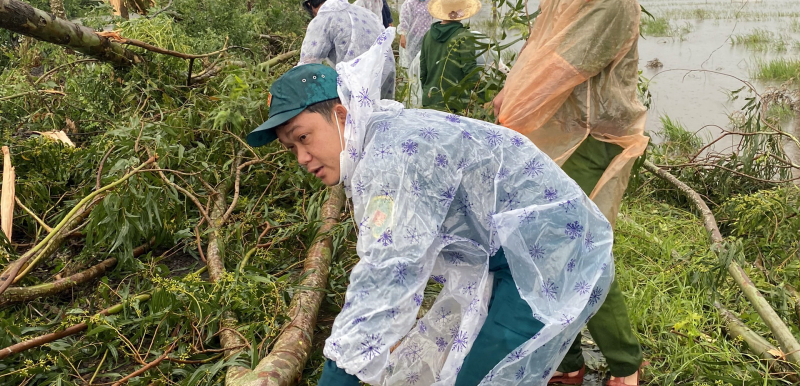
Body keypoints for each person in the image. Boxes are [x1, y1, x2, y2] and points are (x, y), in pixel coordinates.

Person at [246, 39, 615, 386]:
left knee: (482, 374)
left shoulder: (391, 160)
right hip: (512, 250)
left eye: (304, 137)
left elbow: (387, 276)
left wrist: (338, 373)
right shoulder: (380, 137)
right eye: (290, 146)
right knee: (455, 361)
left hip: (551, 251)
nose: (301, 157)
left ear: (341, 115)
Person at [492, 0, 649, 385]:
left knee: (575, 247)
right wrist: (507, 100)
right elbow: (536, 49)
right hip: (557, 130)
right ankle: (568, 361)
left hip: (592, 136)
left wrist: (507, 119)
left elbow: (558, 70)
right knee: (543, 243)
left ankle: (625, 364)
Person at [299, 0, 395, 99]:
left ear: (309, 4)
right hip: (385, 71)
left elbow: (308, 64)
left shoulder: (322, 19)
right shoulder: (360, 11)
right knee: (381, 113)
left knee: (355, 115)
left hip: (357, 81)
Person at [420, 0, 481, 111]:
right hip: (454, 104)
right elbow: (470, 71)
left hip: (430, 100)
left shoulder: (428, 35)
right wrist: (484, 96)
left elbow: (423, 72)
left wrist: (428, 94)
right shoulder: (464, 36)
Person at [398, 0, 435, 107]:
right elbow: (404, 19)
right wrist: (403, 34)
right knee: (412, 66)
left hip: (426, 38)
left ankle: (424, 93)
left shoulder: (431, 3)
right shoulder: (410, 3)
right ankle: (411, 95)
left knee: (425, 65)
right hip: (412, 39)